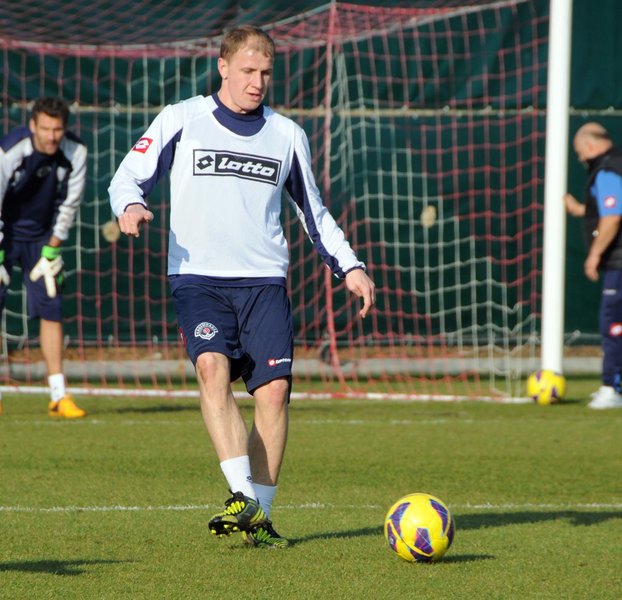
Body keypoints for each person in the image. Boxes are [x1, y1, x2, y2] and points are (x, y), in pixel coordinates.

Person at [109, 25, 375, 547]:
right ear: (223, 67)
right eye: (248, 71)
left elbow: (314, 212)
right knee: (212, 368)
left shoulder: (287, 135)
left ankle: (261, 521)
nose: (257, 82)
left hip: (263, 283)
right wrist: (131, 205)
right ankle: (242, 493)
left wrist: (350, 267)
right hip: (198, 278)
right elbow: (126, 177)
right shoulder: (182, 119)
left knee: (274, 395)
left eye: (266, 73)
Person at [0, 97, 87, 418]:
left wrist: (52, 249)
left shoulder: (76, 152)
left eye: (58, 130)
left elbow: (69, 205)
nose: (51, 136)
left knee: (52, 308)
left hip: (42, 238)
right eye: (46, 129)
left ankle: (58, 396)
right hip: (5, 235)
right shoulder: (10, 150)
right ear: (32, 125)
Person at [564, 122, 622, 409]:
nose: (580, 158)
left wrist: (595, 254)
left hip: (619, 263)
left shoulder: (608, 168)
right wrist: (581, 210)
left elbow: (612, 216)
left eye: (579, 152)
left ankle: (612, 387)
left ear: (590, 145)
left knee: (613, 323)